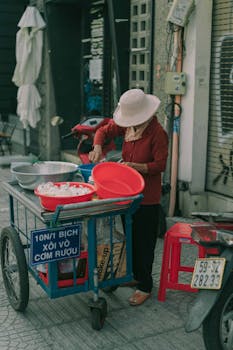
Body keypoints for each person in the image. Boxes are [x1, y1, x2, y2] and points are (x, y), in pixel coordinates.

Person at [89, 89, 168, 306]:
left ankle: (145, 285)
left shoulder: (157, 133)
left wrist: (135, 166)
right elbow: (102, 131)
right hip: (127, 193)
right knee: (130, 236)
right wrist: (97, 146)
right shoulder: (127, 126)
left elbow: (160, 165)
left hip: (147, 197)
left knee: (144, 242)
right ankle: (134, 275)